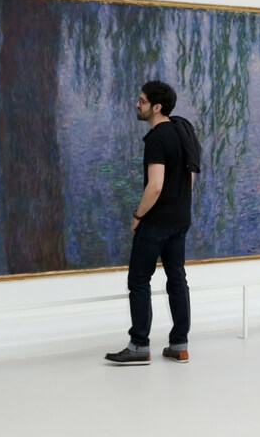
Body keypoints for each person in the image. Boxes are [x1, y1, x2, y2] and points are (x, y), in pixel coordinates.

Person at [105, 80, 200, 365]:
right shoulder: (184, 130)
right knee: (177, 280)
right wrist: (177, 205)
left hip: (157, 221)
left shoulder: (158, 138)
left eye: (143, 101)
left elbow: (155, 186)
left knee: (138, 280)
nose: (138, 104)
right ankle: (180, 345)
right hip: (180, 218)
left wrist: (138, 216)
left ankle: (139, 346)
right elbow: (190, 177)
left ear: (156, 107)